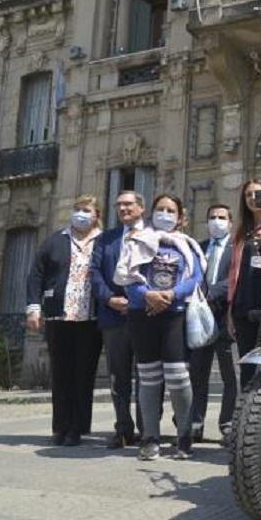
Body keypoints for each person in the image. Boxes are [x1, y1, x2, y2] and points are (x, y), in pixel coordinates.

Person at [116, 193, 202, 461]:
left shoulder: (187, 244)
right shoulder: (136, 240)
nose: (165, 214)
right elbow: (127, 276)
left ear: (180, 217)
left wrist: (172, 296)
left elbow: (195, 277)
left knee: (178, 378)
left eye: (171, 210)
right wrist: (148, 295)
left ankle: (184, 436)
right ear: (152, 213)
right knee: (149, 378)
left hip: (174, 314)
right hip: (143, 315)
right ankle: (150, 438)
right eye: (160, 209)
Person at [26, 196, 104, 446]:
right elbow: (36, 274)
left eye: (87, 210)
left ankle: (77, 428)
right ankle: (60, 427)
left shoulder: (104, 241)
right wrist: (33, 308)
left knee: (84, 373)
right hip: (59, 315)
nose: (81, 214)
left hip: (90, 317)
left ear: (96, 215)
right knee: (61, 372)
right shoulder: (55, 241)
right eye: (78, 209)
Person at [91, 190, 146, 448]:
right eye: (119, 205)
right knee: (118, 377)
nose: (123, 208)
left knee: (147, 376)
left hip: (146, 316)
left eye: (128, 204)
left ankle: (148, 431)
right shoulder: (106, 239)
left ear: (141, 208)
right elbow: (94, 274)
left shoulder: (154, 236)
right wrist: (109, 299)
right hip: (113, 317)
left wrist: (141, 299)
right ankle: (123, 429)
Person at [187, 203, 237, 442]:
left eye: (221, 217)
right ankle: (195, 421)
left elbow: (235, 280)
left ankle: (227, 423)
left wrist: (212, 293)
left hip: (226, 316)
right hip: (200, 318)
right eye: (212, 217)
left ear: (230, 222)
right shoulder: (198, 248)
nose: (216, 221)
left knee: (231, 375)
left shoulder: (238, 249)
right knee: (197, 373)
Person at [228, 178, 261, 389]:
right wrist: (229, 311)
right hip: (244, 308)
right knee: (248, 369)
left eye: (258, 193)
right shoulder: (241, 233)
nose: (252, 198)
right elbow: (234, 273)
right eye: (248, 195)